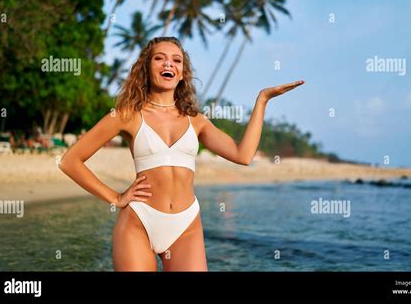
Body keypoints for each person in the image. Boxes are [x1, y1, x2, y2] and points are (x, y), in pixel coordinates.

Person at [59, 36, 304, 271]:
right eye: (160, 58)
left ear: (182, 72)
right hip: (139, 221)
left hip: (185, 225)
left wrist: (262, 100)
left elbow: (243, 155)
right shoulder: (127, 115)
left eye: (177, 60)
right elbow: (70, 161)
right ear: (146, 66)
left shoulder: (196, 121)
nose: (169, 63)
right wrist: (115, 198)